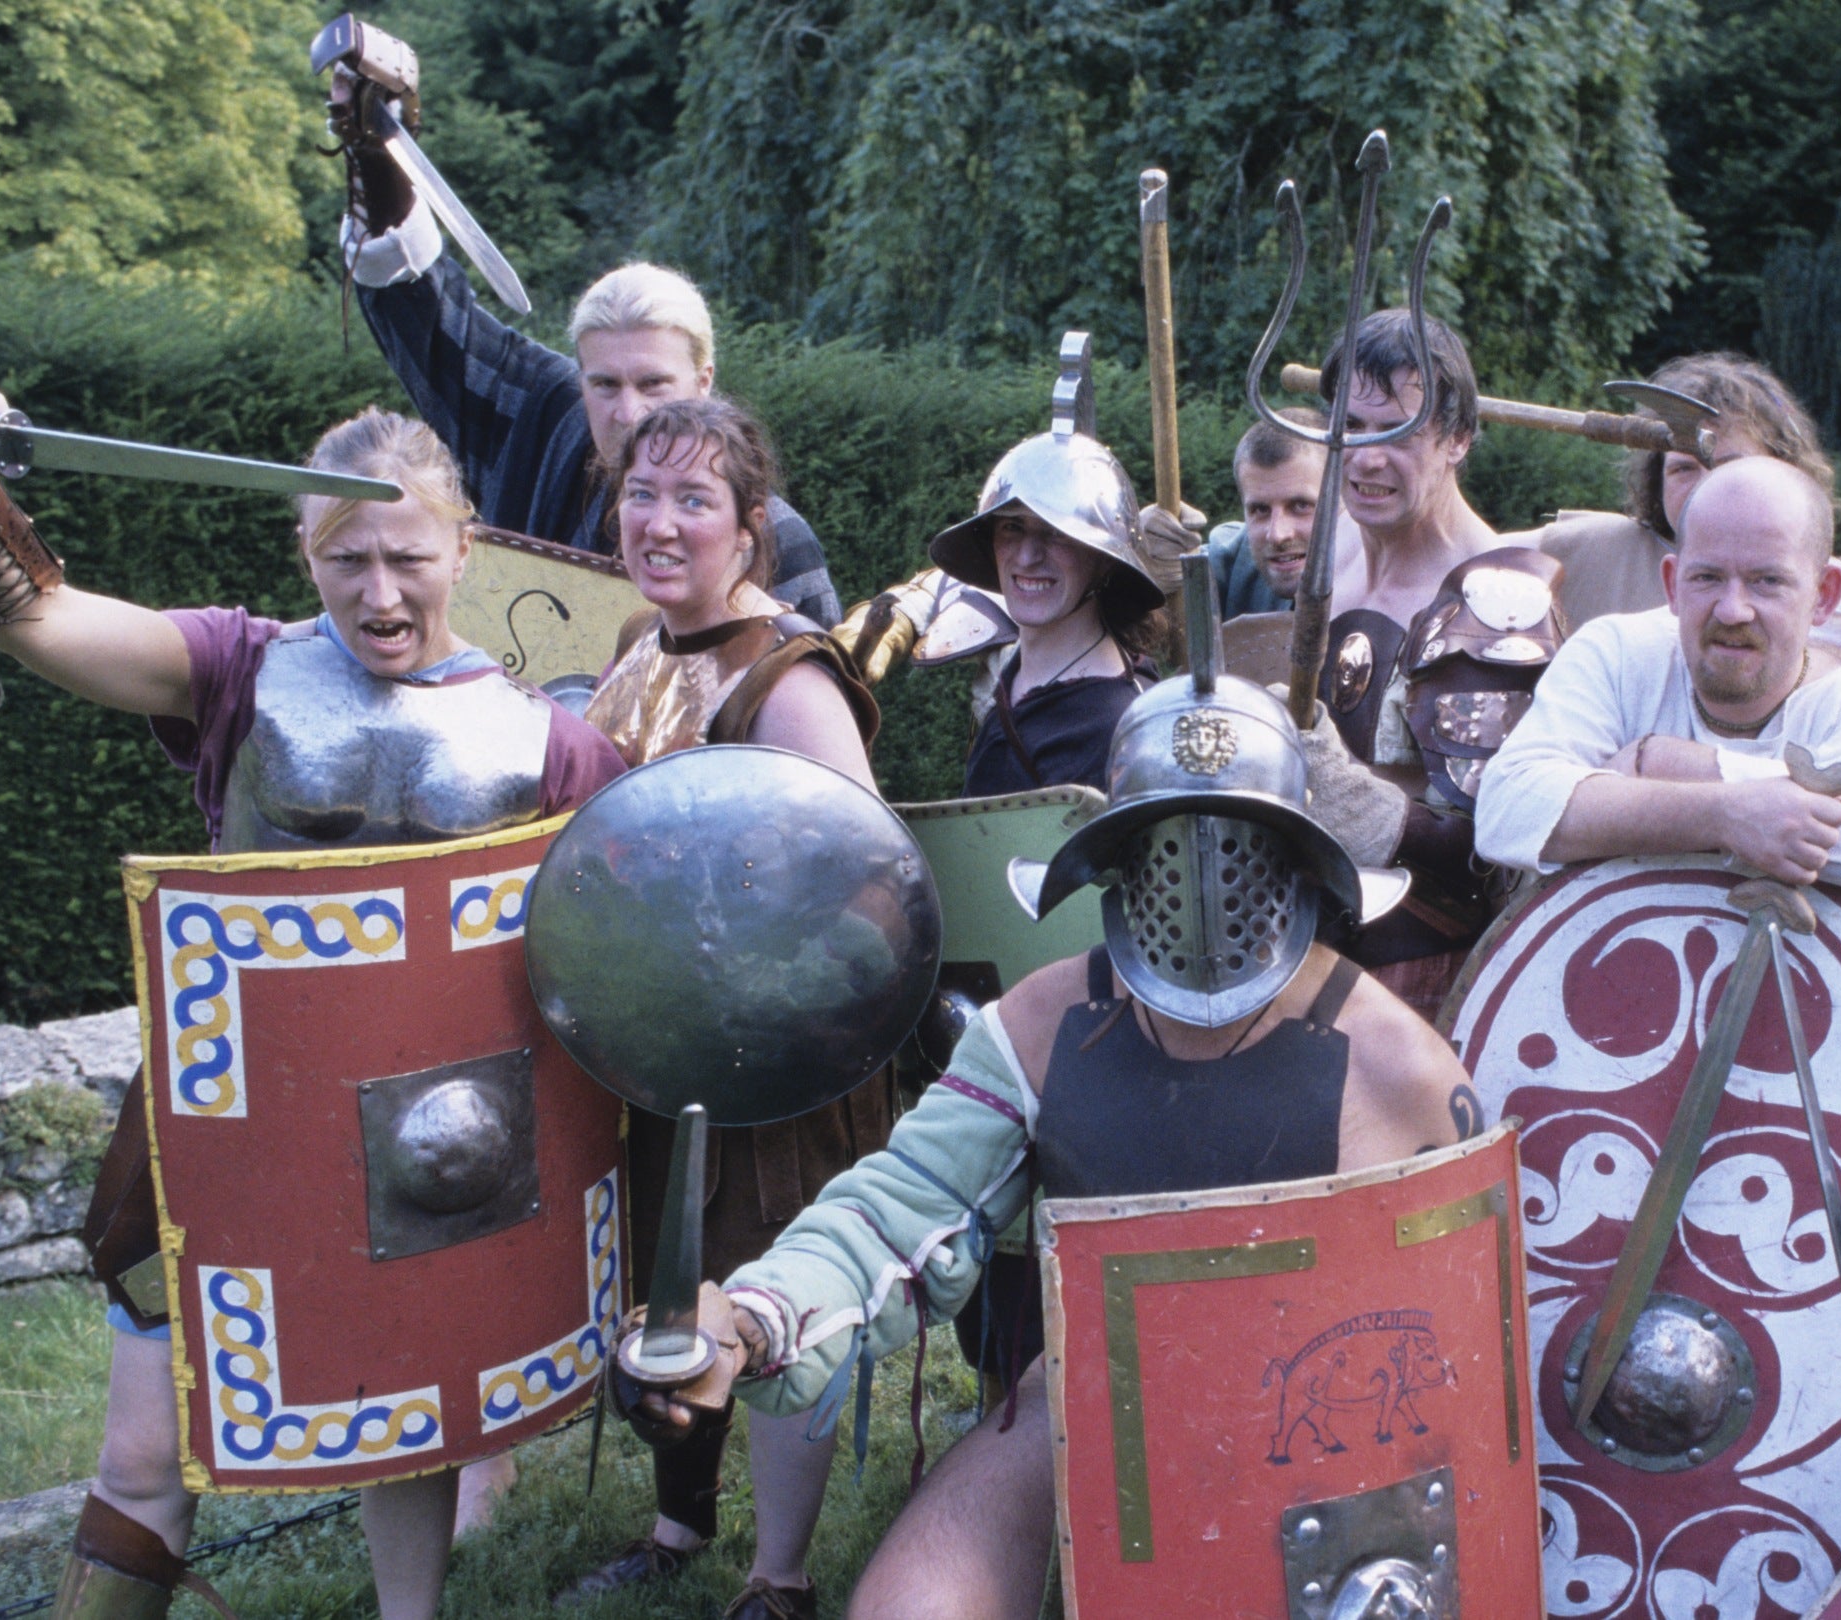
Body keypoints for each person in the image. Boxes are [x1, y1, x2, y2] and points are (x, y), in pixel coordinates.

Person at [0, 379, 626, 1620]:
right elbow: (35, 619)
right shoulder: (238, 668)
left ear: (465, 550)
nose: (381, 594)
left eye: (409, 558)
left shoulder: (550, 743)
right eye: (346, 558)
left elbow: (618, 941)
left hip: (437, 1132)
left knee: (414, 1411)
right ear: (303, 550)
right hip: (238, 1119)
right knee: (143, 1453)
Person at [611, 644, 1480, 1620]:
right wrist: (752, 1318)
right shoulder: (1041, 1026)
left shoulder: (1398, 1069)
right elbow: (899, 1214)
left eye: (1232, 843)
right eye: (1166, 844)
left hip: (1320, 1437)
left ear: (1296, 856)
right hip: (1090, 1392)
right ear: (1113, 853)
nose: (1200, 884)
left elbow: (1456, 1363)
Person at [559, 397, 881, 1618]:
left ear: (750, 531)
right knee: (669, 1279)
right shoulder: (646, 648)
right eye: (643, 494)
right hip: (660, 1042)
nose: (660, 522)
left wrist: (779, 1007)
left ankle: (782, 1577)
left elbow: (868, 882)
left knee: (771, 1287)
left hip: (774, 1059)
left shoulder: (789, 675)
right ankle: (678, 1524)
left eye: (695, 501)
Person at [326, 46, 838, 620]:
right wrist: (377, 150)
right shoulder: (542, 423)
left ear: (704, 382)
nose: (629, 411)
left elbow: (820, 687)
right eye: (605, 384)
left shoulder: (771, 535)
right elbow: (431, 323)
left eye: (654, 383)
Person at [1282, 309, 1566, 1022]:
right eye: (1350, 429)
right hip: (1288, 936)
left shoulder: (1497, 604)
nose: (1367, 458)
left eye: (1400, 433)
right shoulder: (1332, 549)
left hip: (1421, 970)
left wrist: (1362, 808)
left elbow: (1499, 849)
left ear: (1458, 440)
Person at [1475, 456, 1841, 905]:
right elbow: (1506, 813)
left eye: (1767, 581)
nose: (1732, 610)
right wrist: (1725, 815)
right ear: (1672, 583)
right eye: (1707, 577)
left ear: (1824, 595)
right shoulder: (1614, 654)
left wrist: (1664, 762)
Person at [929, 411, 1168, 796]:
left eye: (1056, 533)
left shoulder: (1120, 727)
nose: (1026, 557)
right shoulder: (1016, 677)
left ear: (1103, 558)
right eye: (1012, 527)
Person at [1515, 352, 1837, 627]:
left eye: (1731, 466)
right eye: (1683, 469)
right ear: (1658, 478)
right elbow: (1472, 553)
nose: (1707, 488)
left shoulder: (1809, 576)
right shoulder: (1593, 546)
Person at [1202, 408, 1349, 618]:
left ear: (1350, 502)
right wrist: (1145, 556)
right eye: (1260, 510)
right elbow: (1181, 579)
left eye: (1300, 506)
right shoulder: (1232, 565)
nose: (1277, 534)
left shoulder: (1396, 592)